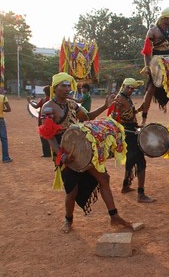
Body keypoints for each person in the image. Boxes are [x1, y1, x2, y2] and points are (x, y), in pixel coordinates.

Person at [40, 72, 131, 233]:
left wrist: (105, 106)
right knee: (72, 190)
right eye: (63, 86)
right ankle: (68, 219)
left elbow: (87, 116)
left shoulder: (71, 104)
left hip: (82, 150)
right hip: (64, 153)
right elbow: (49, 136)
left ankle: (114, 216)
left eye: (69, 85)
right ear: (55, 87)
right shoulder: (48, 108)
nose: (67, 89)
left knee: (104, 178)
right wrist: (61, 155)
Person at [110, 78, 154, 203]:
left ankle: (125, 186)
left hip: (132, 131)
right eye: (128, 87)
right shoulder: (119, 99)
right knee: (141, 162)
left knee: (130, 161)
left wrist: (138, 110)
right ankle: (141, 194)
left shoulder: (126, 98)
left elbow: (127, 113)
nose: (130, 90)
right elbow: (115, 118)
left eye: (132, 88)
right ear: (123, 86)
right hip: (128, 134)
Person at [28, 85, 52, 157]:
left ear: (45, 92)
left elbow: (36, 106)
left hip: (43, 120)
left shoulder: (44, 100)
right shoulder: (53, 100)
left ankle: (46, 153)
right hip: (52, 120)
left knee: (43, 137)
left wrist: (29, 101)